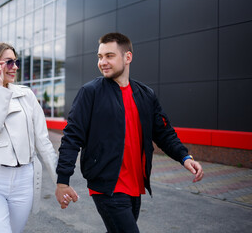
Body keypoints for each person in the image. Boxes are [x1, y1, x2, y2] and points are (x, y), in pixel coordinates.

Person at [55, 33, 204, 232]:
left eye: (109, 56)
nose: (102, 62)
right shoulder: (90, 92)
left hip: (135, 187)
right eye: (100, 57)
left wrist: (184, 157)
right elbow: (72, 137)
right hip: (107, 186)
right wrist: (63, 181)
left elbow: (164, 133)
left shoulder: (145, 95)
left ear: (128, 57)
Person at [0, 42, 57, 233]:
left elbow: (43, 141)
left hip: (24, 180)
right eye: (9, 62)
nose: (15, 67)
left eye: (16, 61)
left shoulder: (26, 95)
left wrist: (60, 182)